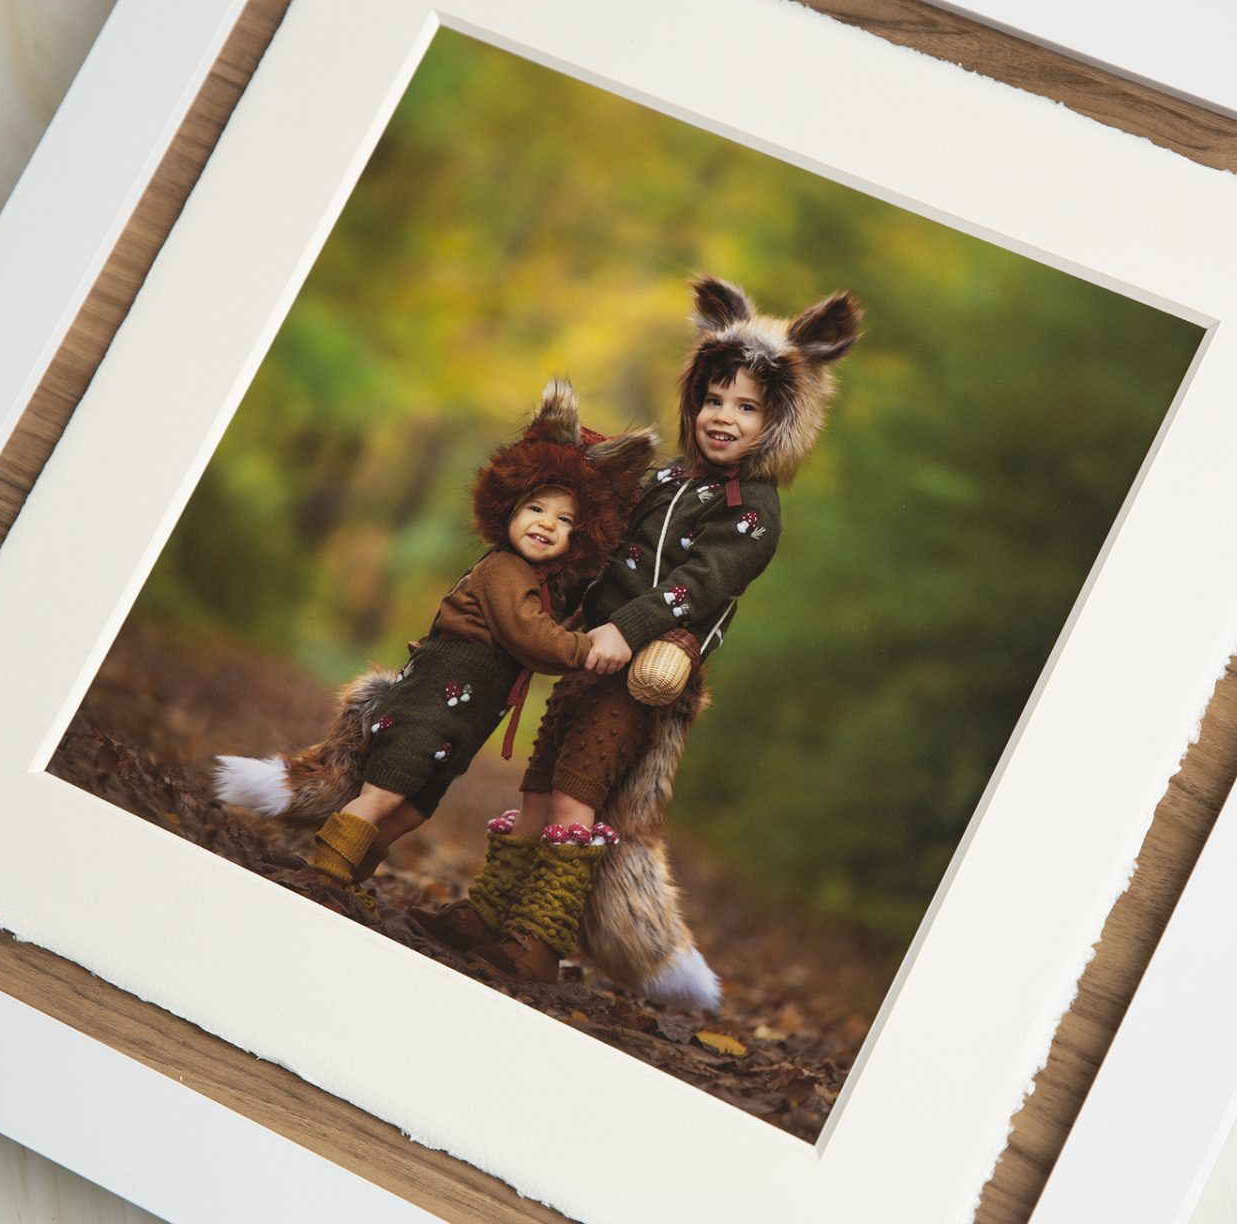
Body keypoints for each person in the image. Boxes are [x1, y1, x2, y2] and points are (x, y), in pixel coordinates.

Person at [416, 277, 862, 1009]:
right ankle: (489, 911)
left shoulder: (751, 511)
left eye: (747, 407)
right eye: (714, 400)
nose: (723, 417)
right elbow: (605, 543)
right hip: (589, 657)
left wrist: (627, 630)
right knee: (538, 784)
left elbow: (701, 582)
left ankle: (538, 938)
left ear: (780, 422)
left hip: (645, 673)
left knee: (577, 794)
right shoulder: (669, 478)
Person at [211, 381, 656, 886]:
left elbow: (552, 619)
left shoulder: (540, 584)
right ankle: (328, 871)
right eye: (536, 509)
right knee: (382, 794)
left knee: (411, 811)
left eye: (565, 520)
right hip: (427, 706)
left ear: (577, 538)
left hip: (461, 723)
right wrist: (587, 648)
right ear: (510, 510)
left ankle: (351, 873)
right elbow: (534, 637)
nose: (547, 524)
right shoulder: (504, 571)